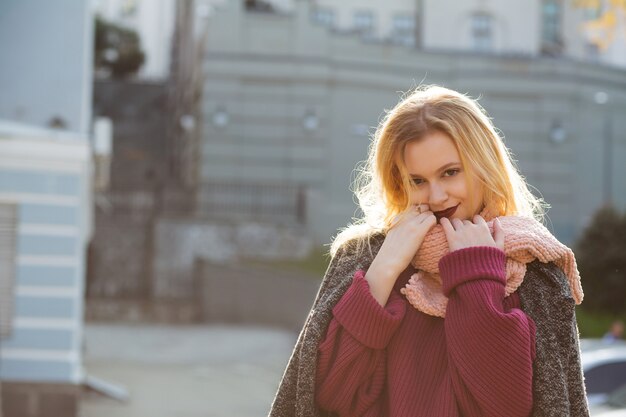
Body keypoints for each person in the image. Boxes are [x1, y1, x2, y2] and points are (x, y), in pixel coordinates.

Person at [268, 85, 589, 417]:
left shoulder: (533, 267)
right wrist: (384, 270)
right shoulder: (366, 257)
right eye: (418, 180)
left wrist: (475, 274)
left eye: (450, 173)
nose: (436, 197)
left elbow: (506, 406)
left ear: (483, 165)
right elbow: (333, 397)